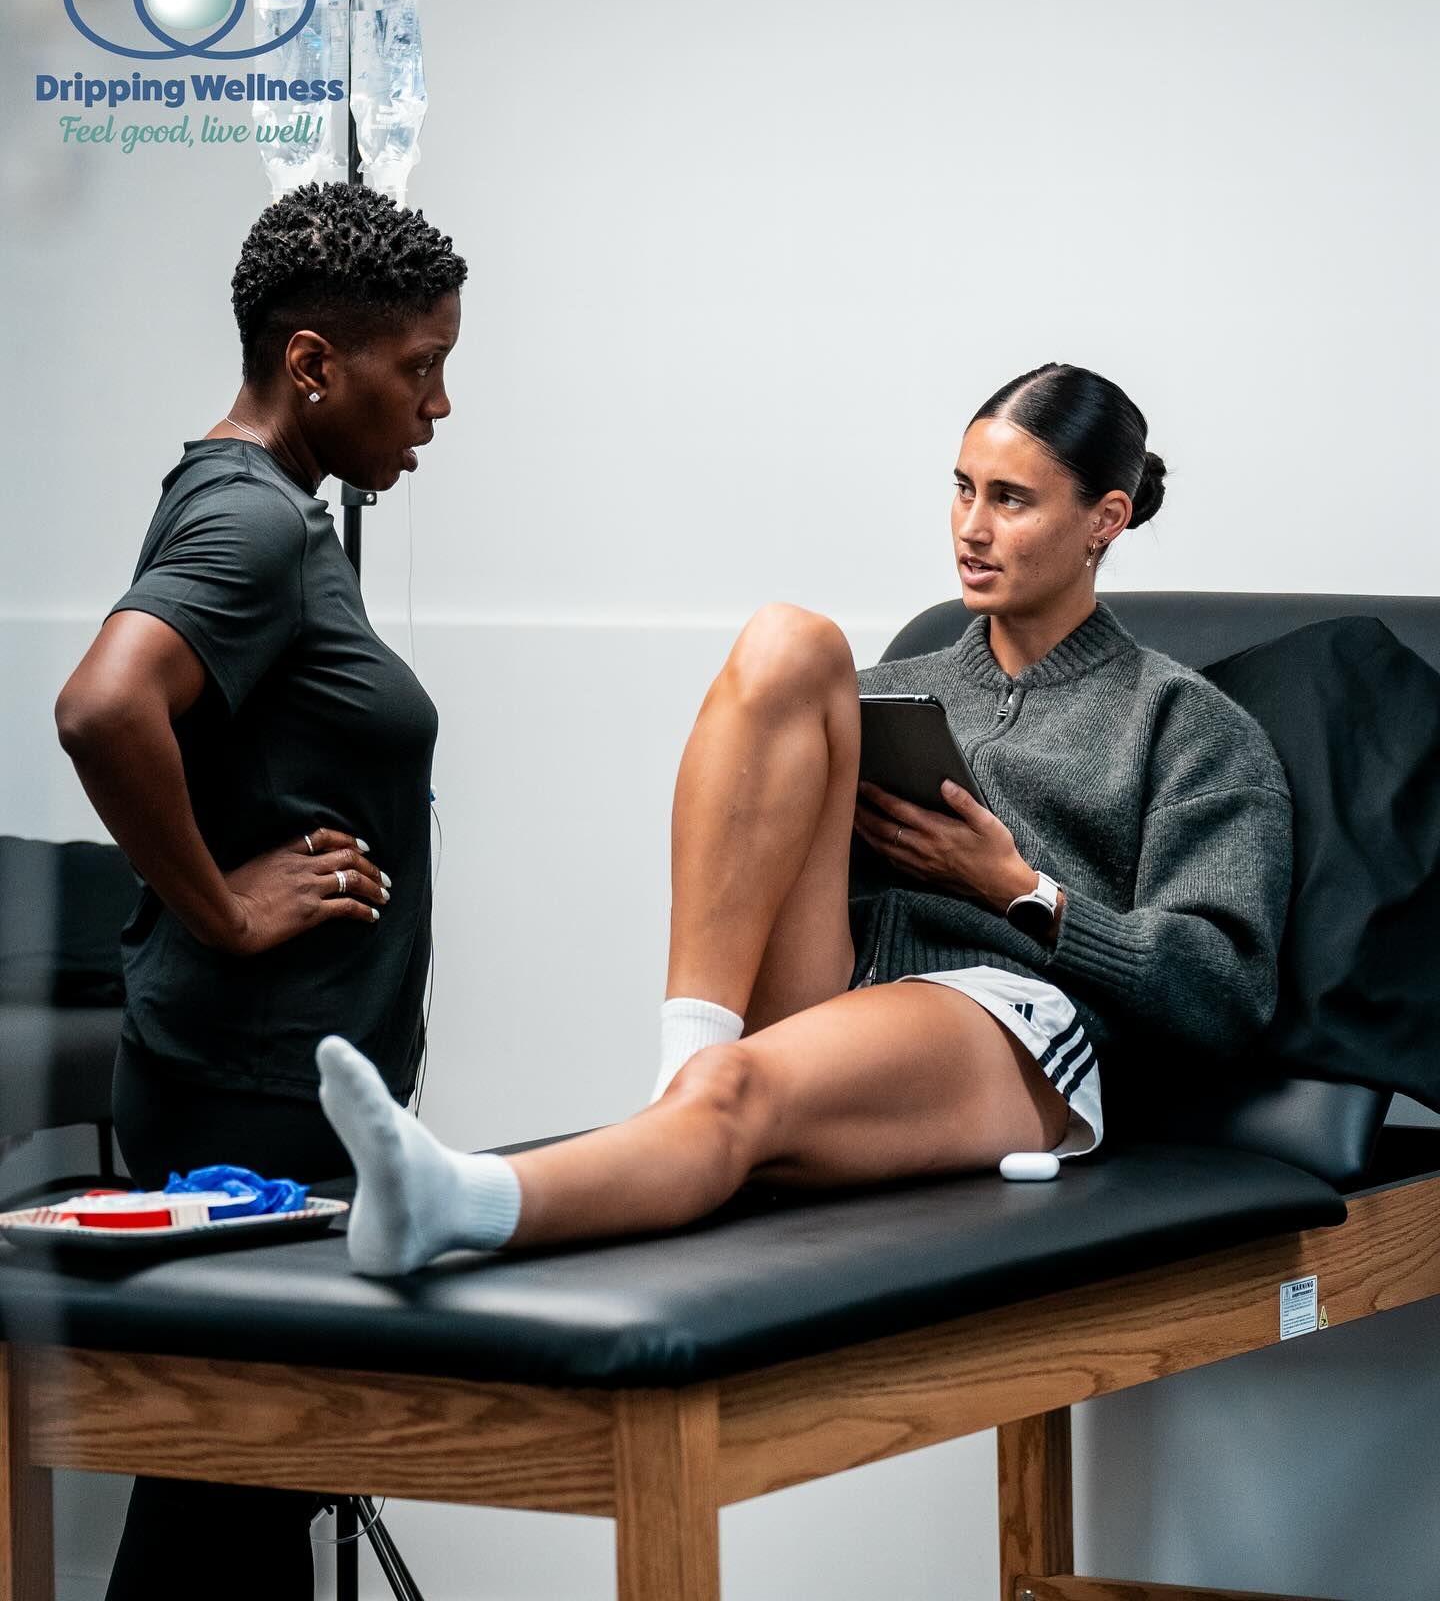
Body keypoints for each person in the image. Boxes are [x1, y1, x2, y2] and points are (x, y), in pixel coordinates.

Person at [311, 362, 1294, 1278]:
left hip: (1012, 1023)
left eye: (1011, 500)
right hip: (852, 987)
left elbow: (1225, 991)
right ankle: (686, 1062)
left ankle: (459, 1200)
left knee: (734, 1094)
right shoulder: (896, 686)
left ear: (1104, 520)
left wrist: (1017, 889)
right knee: (789, 641)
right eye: (962, 489)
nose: (971, 528)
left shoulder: (1183, 723)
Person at [53, 180, 467, 1601]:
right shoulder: (259, 526)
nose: (438, 407)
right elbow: (103, 706)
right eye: (420, 367)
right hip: (250, 1090)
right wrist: (223, 908)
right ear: (312, 364)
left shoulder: (255, 502)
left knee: (239, 1512)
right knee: (222, 1511)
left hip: (265, 1077)